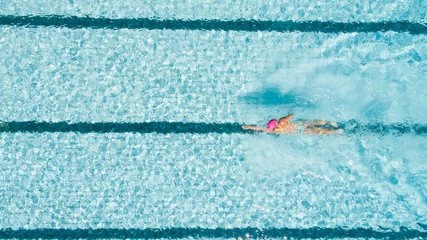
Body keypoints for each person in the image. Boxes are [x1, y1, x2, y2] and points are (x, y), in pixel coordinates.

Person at [242, 114, 343, 135]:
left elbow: (259, 128)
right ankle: (330, 123)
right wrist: (287, 115)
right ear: (276, 122)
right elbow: (291, 115)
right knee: (314, 122)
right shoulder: (282, 121)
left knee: (316, 131)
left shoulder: (274, 131)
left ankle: (335, 131)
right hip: (298, 125)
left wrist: (248, 127)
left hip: (299, 131)